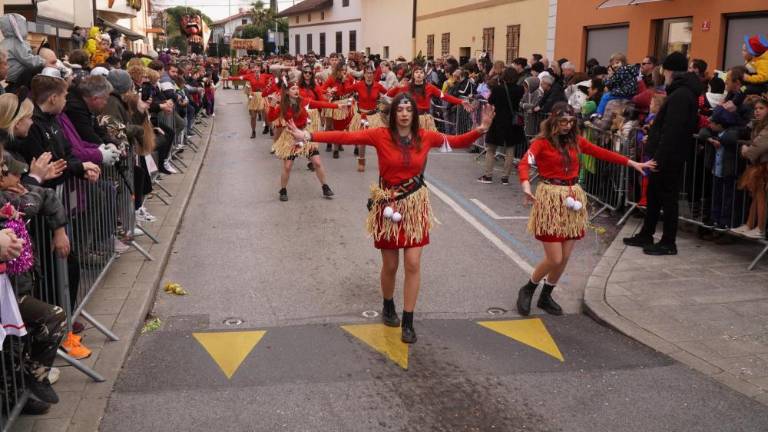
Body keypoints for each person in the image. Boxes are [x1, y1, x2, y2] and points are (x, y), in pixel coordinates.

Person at [285, 93, 496, 343]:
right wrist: (308, 135)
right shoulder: (380, 135)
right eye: (400, 109)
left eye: (409, 109)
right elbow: (346, 136)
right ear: (393, 114)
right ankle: (388, 305)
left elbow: (456, 141)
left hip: (415, 205)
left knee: (413, 264)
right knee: (391, 265)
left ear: (414, 115)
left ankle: (408, 320)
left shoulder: (426, 137)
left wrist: (481, 129)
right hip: (388, 205)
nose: (405, 113)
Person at [517, 103, 654, 316]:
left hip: (573, 199)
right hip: (551, 199)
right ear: (553, 120)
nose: (567, 125)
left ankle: (546, 295)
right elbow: (525, 162)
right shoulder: (541, 143)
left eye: (571, 121)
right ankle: (528, 288)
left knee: (564, 257)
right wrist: (526, 184)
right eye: (563, 121)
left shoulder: (576, 141)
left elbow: (601, 152)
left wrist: (631, 163)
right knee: (554, 258)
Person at [623, 52, 703, 255]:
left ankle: (668, 242)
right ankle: (646, 234)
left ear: (670, 71)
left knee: (667, 199)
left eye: (664, 69)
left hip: (668, 156)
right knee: (653, 195)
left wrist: (659, 156)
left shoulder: (681, 94)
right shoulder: (679, 92)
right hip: (665, 153)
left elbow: (673, 130)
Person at [266, 72, 341, 202]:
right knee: (288, 166)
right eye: (293, 89)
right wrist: (272, 105)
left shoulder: (304, 101)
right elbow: (271, 118)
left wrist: (338, 105)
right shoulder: (283, 105)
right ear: (288, 92)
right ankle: (283, 189)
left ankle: (325, 187)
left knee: (317, 162)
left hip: (305, 134)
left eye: (297, 88)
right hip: (290, 137)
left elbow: (320, 104)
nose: (296, 90)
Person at [387, 65, 471, 132]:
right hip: (411, 118)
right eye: (416, 72)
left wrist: (461, 101)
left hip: (424, 119)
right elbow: (389, 94)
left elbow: (444, 96)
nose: (419, 74)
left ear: (424, 75)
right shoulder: (407, 87)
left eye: (421, 72)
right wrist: (397, 86)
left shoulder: (430, 87)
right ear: (413, 75)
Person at [478, 67, 525, 185]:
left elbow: (491, 101)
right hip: (512, 122)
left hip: (497, 120)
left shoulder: (498, 89)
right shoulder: (519, 89)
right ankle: (505, 177)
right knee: (510, 149)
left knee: (491, 149)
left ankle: (488, 175)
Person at [732, 96, 768, 239]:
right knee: (756, 195)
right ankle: (749, 224)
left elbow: (760, 144)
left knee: (761, 197)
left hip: (765, 165)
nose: (757, 111)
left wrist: (747, 150)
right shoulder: (759, 124)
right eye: (756, 109)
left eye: (761, 108)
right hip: (760, 164)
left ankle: (760, 228)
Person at [347, 65, 388, 172]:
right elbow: (346, 89)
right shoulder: (359, 85)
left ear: (373, 74)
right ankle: (361, 161)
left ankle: (383, 162)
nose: (369, 75)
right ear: (364, 74)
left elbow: (388, 93)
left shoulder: (378, 86)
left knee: (380, 140)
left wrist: (399, 89)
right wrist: (343, 80)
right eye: (367, 73)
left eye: (371, 73)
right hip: (362, 116)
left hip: (374, 116)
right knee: (362, 140)